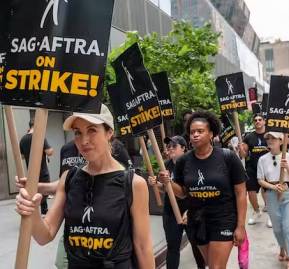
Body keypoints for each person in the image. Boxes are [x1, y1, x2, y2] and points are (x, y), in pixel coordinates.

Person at [15, 104, 155, 269]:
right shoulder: (69, 178)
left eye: (92, 130)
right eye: (78, 132)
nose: (84, 140)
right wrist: (32, 211)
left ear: (109, 132)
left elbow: (143, 247)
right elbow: (44, 235)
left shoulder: (133, 183)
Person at [159, 110, 247, 268]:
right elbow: (183, 193)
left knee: (216, 267)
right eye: (192, 132)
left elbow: (241, 192)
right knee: (211, 265)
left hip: (223, 219)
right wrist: (168, 183)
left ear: (211, 133)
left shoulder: (227, 157)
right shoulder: (184, 161)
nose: (195, 135)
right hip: (197, 221)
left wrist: (240, 226)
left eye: (200, 131)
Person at [148, 136, 205, 269]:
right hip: (170, 212)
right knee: (172, 246)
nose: (170, 149)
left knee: (196, 244)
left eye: (174, 146)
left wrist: (168, 182)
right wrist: (156, 184)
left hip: (189, 211)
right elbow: (165, 190)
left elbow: (186, 193)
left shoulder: (191, 164)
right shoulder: (166, 166)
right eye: (168, 146)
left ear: (183, 148)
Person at [257, 131, 289, 267]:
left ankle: (288, 255)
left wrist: (287, 167)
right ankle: (282, 247)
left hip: (287, 193)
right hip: (271, 194)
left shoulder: (287, 156)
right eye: (268, 138)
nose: (270, 140)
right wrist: (274, 187)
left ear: (282, 141)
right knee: (277, 228)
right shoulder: (262, 159)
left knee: (287, 227)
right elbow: (260, 180)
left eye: (274, 138)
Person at [239, 113, 270, 226]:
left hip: (268, 168)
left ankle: (271, 215)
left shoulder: (270, 135)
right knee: (251, 191)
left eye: (260, 119)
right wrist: (240, 149)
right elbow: (243, 154)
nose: (257, 121)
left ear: (264, 121)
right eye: (255, 120)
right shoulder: (249, 137)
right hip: (252, 168)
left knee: (267, 192)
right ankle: (257, 212)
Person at [19, 119, 54, 215]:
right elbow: (49, 152)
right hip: (42, 170)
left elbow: (21, 156)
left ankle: (36, 212)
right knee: (44, 190)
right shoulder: (39, 136)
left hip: (30, 171)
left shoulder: (23, 139)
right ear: (37, 125)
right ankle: (43, 212)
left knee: (33, 191)